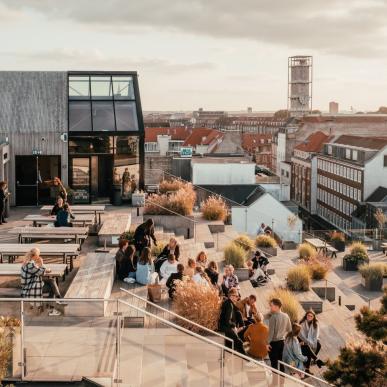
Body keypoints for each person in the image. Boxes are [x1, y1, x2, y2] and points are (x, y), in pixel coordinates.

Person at [21, 248, 63, 316]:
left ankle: (58, 300)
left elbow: (38, 270)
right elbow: (41, 272)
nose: (39, 257)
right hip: (31, 288)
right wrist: (41, 263)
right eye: (38, 255)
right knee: (53, 287)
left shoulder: (28, 263)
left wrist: (41, 266)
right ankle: (51, 307)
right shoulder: (30, 265)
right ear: (35, 256)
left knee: (51, 281)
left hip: (32, 284)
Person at [267, 298, 292, 371]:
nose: (270, 307)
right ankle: (281, 381)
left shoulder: (273, 317)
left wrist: (267, 343)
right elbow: (289, 329)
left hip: (274, 344)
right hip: (282, 343)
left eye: (271, 305)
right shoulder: (286, 316)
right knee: (281, 363)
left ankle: (275, 382)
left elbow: (271, 333)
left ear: (277, 306)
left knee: (274, 364)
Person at [218, 287, 245, 354]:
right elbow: (228, 320)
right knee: (239, 343)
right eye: (236, 296)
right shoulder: (229, 305)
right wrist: (234, 327)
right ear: (231, 296)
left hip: (223, 326)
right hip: (225, 327)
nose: (237, 298)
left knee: (233, 344)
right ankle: (247, 359)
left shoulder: (227, 302)